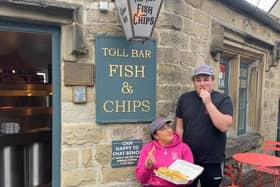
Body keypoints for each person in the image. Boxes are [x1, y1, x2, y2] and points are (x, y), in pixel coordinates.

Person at [175, 64, 233, 187]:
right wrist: (179, 151)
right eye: (198, 80)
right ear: (194, 82)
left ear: (212, 81)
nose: (202, 84)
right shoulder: (184, 99)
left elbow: (223, 126)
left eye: (206, 79)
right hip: (188, 159)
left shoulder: (223, 99)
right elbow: (179, 128)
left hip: (213, 160)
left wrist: (208, 102)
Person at [135, 117, 194, 187]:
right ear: (156, 136)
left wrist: (180, 178)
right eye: (163, 129)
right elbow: (142, 179)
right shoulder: (148, 149)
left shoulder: (183, 148)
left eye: (169, 127)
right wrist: (147, 166)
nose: (169, 130)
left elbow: (190, 177)